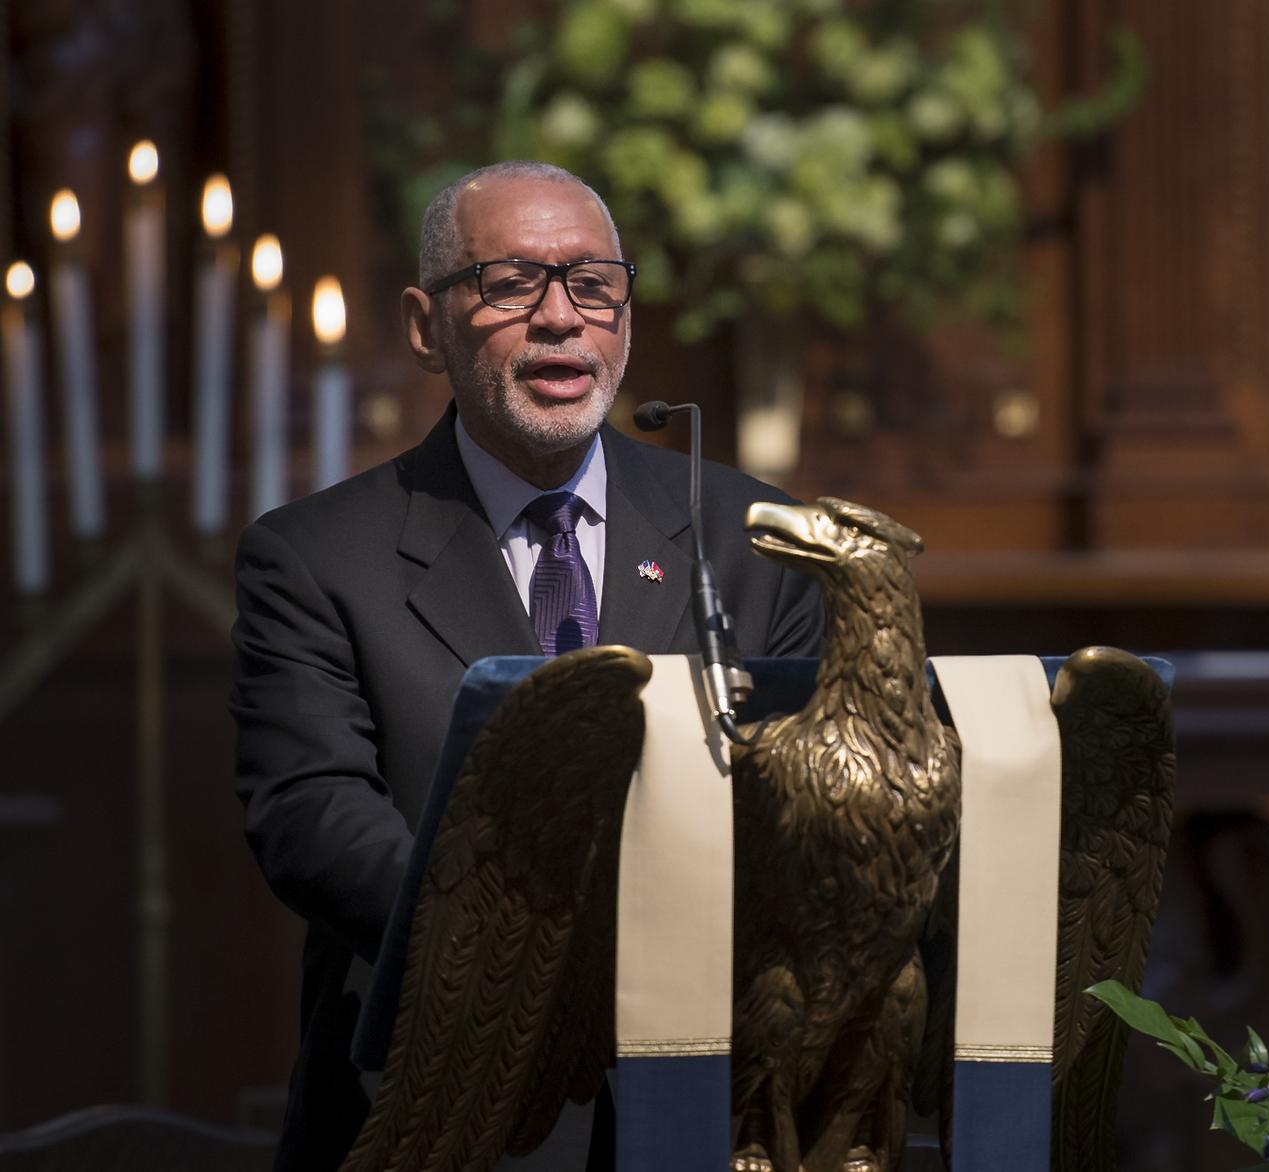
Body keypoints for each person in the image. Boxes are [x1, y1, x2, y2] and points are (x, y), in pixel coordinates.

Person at [230, 160, 824, 1172]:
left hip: (706, 1105)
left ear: (625, 322)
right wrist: (547, 939)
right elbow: (310, 816)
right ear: (425, 325)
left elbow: (811, 794)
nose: (560, 316)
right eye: (510, 282)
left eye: (592, 284)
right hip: (438, 1101)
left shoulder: (753, 538)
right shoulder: (315, 556)